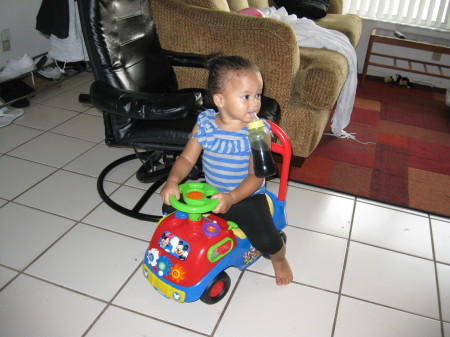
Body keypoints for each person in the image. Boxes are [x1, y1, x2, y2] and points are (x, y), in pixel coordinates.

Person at [160, 53, 293, 286]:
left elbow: (257, 176)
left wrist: (232, 197)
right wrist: (173, 180)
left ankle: (279, 258)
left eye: (258, 95)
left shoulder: (257, 132)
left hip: (245, 196)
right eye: (246, 96)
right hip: (210, 192)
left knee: (266, 239)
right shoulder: (205, 124)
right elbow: (186, 159)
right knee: (171, 209)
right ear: (220, 100)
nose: (255, 103)